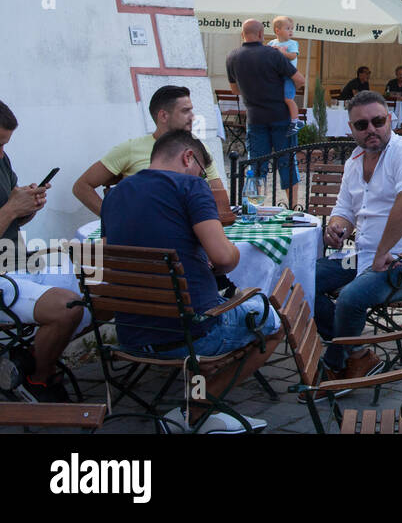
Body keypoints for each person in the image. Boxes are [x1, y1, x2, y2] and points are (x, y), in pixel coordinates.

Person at [100, 130, 281, 432]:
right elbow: (223, 259)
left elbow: (116, 258)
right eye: (201, 168)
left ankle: (199, 393)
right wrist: (230, 251)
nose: (202, 175)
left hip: (132, 334)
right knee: (273, 322)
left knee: (214, 308)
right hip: (192, 334)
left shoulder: (115, 194)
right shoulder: (191, 186)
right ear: (188, 157)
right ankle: (196, 408)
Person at [314, 91, 402, 379]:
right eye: (362, 125)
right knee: (303, 278)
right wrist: (337, 228)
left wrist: (383, 251)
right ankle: (357, 353)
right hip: (361, 257)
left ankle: (336, 364)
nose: (371, 130)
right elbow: (344, 209)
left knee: (351, 298)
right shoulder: (354, 162)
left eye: (378, 121)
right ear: (351, 129)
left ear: (389, 120)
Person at [0, 101, 85, 402]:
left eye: (5, 145)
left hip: (15, 262)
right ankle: (38, 379)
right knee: (68, 307)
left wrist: (27, 207)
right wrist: (11, 209)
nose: (2, 152)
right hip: (4, 276)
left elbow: (11, 215)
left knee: (95, 283)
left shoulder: (1, 160)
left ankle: (28, 360)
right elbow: (6, 212)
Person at [73, 84, 230, 218]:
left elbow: (217, 193)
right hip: (143, 237)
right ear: (163, 115)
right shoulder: (130, 149)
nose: (192, 117)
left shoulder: (198, 148)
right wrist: (111, 218)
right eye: (185, 111)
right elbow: (82, 186)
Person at [225, 19, 305, 208]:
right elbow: (300, 80)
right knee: (287, 164)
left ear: (243, 34)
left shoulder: (232, 57)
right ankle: (293, 209)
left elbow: (235, 90)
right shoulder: (274, 54)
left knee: (256, 167)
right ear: (262, 34)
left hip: (255, 119)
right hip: (281, 117)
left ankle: (253, 208)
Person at [268, 16, 300, 123]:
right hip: (276, 76)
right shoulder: (271, 43)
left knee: (288, 98)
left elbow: (293, 56)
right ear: (278, 30)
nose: (291, 31)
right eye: (288, 28)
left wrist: (282, 52)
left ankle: (295, 120)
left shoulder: (292, 43)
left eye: (292, 28)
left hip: (288, 75)